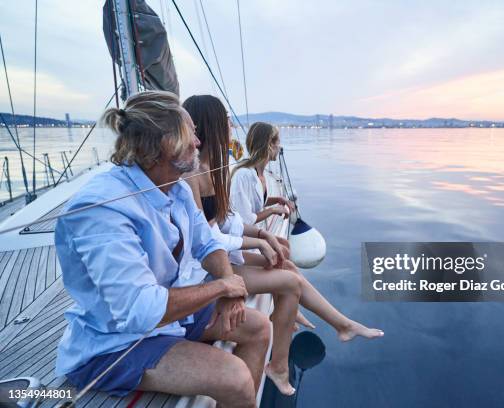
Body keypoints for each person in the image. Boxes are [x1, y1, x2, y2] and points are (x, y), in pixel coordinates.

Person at [54, 91, 269, 408]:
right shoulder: (101, 209)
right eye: (189, 134)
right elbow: (140, 309)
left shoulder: (176, 188)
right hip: (115, 343)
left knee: (260, 328)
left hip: (168, 319)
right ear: (162, 145)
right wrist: (222, 285)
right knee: (234, 377)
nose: (198, 142)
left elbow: (207, 243)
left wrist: (229, 288)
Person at [182, 95, 385, 394]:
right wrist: (258, 239)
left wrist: (263, 236)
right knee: (289, 280)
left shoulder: (215, 168)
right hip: (206, 269)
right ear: (211, 122)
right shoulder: (193, 175)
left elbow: (226, 222)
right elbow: (204, 239)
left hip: (221, 255)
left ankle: (334, 324)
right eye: (224, 118)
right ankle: (281, 362)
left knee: (285, 263)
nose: (230, 123)